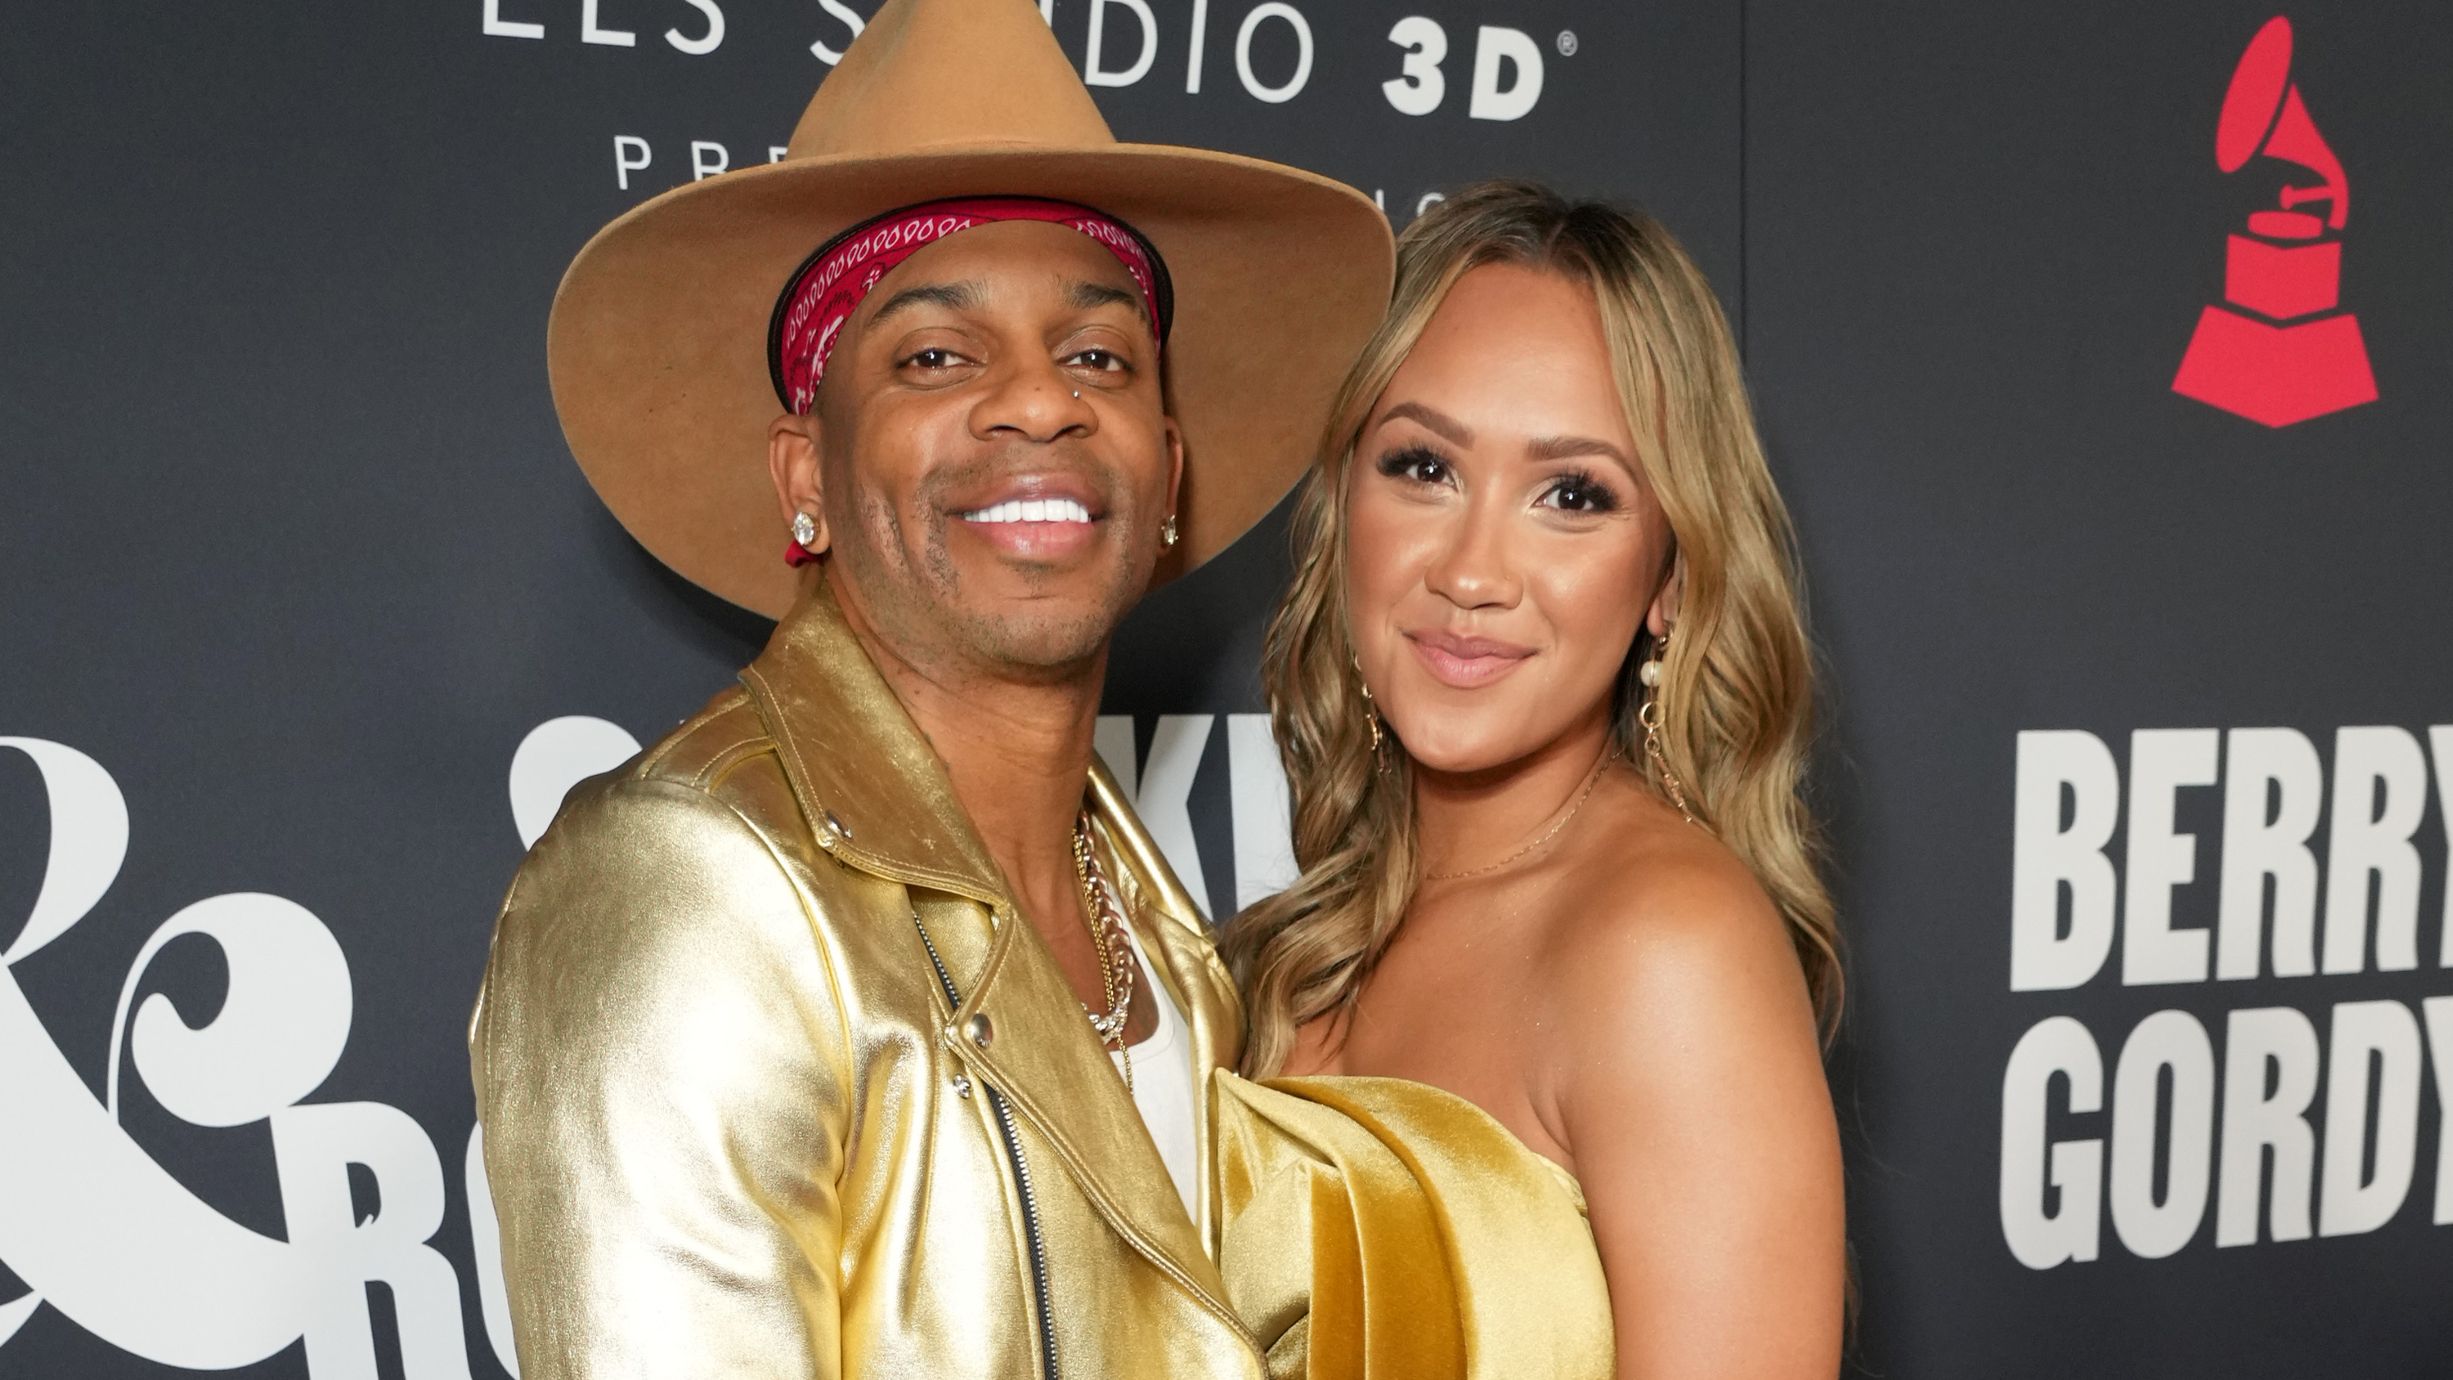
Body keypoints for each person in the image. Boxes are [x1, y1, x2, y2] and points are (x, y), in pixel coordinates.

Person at [466, 1, 1392, 1375]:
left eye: (1098, 356)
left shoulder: (1162, 933)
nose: (1040, 404)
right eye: (935, 356)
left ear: (1169, 473)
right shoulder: (686, 879)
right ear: (805, 479)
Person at [1217, 181, 1846, 1379]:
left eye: (1571, 496)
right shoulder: (1319, 924)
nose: (1470, 571)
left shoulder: (1667, 947)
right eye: (1421, 467)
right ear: (1343, 502)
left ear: (1668, 577)